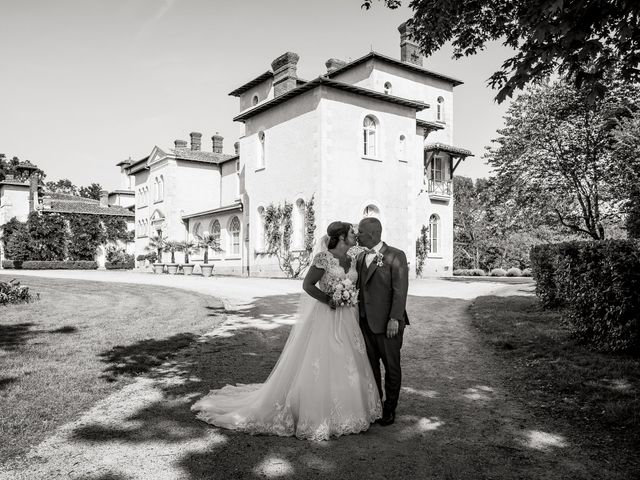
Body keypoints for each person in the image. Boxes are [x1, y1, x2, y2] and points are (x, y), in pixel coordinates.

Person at [191, 221, 382, 440]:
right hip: (326, 316)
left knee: (348, 361)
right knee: (323, 359)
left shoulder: (352, 257)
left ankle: (351, 409)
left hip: (347, 317)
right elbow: (308, 286)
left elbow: (359, 275)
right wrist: (329, 298)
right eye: (351, 233)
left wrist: (349, 295)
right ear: (340, 237)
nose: (355, 235)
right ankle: (317, 412)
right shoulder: (323, 258)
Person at [356, 217, 409, 426]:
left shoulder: (396, 256)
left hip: (389, 325)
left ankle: (390, 409)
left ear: (370, 234)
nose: (357, 234)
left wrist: (394, 318)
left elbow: (400, 291)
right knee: (370, 368)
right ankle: (375, 406)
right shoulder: (360, 257)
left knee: (391, 367)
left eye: (359, 231)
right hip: (364, 323)